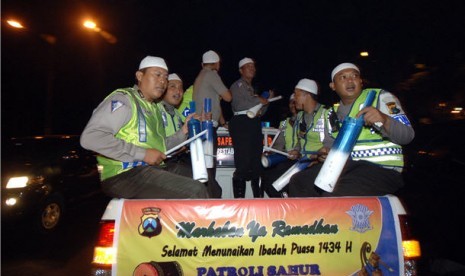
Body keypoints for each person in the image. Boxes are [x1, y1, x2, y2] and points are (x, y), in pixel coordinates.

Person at [80, 56, 209, 199]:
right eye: (157, 75)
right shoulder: (124, 99)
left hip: (152, 169)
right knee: (194, 190)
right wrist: (142, 154)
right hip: (123, 175)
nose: (162, 81)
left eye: (165, 77)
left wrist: (184, 130)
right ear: (140, 76)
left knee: (206, 181)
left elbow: (161, 147)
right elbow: (91, 137)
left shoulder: (155, 109)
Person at [288, 63, 415, 197]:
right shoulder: (332, 114)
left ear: (360, 81)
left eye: (354, 76)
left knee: (332, 193)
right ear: (333, 86)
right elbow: (329, 147)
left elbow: (408, 136)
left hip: (382, 170)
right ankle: (309, 218)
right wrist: (324, 154)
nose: (350, 80)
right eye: (343, 77)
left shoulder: (380, 97)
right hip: (346, 168)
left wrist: (385, 120)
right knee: (299, 181)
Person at [262, 79, 327, 197]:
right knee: (271, 182)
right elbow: (300, 141)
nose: (294, 99)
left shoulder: (326, 115)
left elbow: (334, 145)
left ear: (306, 94)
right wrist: (296, 151)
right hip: (302, 161)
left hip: (320, 163)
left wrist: (317, 158)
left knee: (296, 182)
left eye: (296, 95)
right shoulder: (300, 117)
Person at [192, 50, 232, 198]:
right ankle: (213, 197)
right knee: (209, 167)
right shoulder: (211, 74)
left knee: (207, 165)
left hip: (202, 126)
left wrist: (223, 122)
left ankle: (209, 196)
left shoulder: (200, 76)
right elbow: (228, 97)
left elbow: (216, 103)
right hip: (207, 127)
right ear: (217, 63)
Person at [229, 57, 271, 198]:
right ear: (241, 70)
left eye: (253, 66)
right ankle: (240, 202)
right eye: (248, 66)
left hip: (253, 124)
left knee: (256, 163)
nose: (252, 69)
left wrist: (265, 103)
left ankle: (258, 200)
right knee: (243, 163)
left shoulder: (252, 90)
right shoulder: (237, 85)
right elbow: (240, 105)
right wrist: (259, 99)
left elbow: (260, 112)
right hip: (242, 123)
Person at [158, 73, 193, 178]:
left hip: (178, 158)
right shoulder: (155, 110)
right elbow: (158, 146)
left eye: (181, 88)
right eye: (172, 86)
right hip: (163, 163)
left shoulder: (177, 114)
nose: (178, 91)